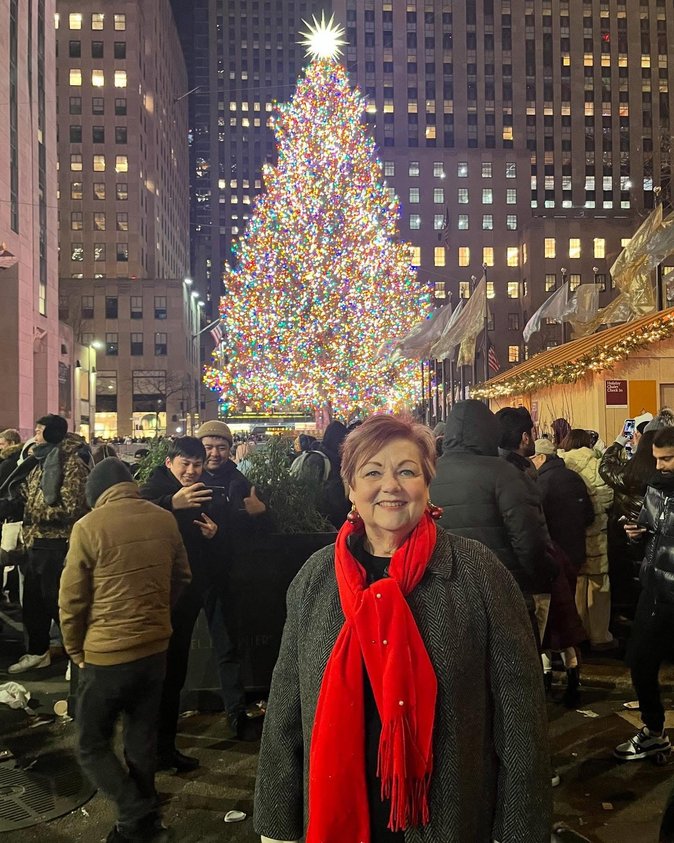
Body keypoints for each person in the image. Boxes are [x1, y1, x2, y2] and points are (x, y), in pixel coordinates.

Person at [254, 414, 551, 843]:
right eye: (372, 471)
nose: (390, 485)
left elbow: (521, 721)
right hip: (339, 813)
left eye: (407, 471)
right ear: (350, 489)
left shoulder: (477, 573)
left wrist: (521, 831)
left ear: (427, 485)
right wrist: (277, 824)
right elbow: (286, 708)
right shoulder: (316, 579)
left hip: (449, 819)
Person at [59, 458, 191, 843]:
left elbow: (72, 600)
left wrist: (74, 648)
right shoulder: (163, 518)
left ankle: (136, 809)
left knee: (90, 743)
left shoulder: (88, 527)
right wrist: (159, 615)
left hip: (106, 655)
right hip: (154, 650)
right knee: (141, 737)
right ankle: (139, 828)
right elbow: (182, 575)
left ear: (95, 493)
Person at [140, 436, 250, 770]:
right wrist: (172, 502)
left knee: (176, 673)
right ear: (169, 463)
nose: (191, 471)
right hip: (162, 595)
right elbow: (138, 515)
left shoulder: (209, 489)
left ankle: (164, 749)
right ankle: (152, 752)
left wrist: (216, 534)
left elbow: (225, 543)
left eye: (196, 464)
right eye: (184, 464)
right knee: (160, 674)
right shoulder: (154, 489)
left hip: (193, 591)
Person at [1, 414, 89, 674]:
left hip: (57, 543)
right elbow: (30, 494)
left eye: (40, 432)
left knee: (57, 602)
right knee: (33, 603)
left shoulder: (72, 462)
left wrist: (35, 512)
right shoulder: (40, 461)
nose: (35, 436)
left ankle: (77, 656)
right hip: (34, 542)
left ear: (52, 434)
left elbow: (74, 505)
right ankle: (38, 652)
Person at [614, 422, 674, 765]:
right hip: (654, 591)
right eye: (657, 459)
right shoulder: (656, 489)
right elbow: (649, 538)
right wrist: (635, 535)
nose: (661, 466)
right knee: (639, 662)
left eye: (667, 459)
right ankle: (654, 732)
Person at [532, 438, 594, 706]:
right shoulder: (573, 477)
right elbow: (589, 515)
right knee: (567, 616)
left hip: (550, 559)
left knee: (550, 623)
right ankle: (572, 678)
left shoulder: (537, 485)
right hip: (574, 554)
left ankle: (548, 680)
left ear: (542, 458)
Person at [559, 429, 615, 650]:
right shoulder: (596, 465)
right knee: (599, 583)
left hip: (571, 534)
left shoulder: (562, 462)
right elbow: (608, 497)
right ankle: (600, 635)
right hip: (596, 534)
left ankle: (579, 630)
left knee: (577, 583)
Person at [600, 419, 661, 618]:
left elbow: (605, 467)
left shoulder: (628, 473)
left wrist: (619, 442)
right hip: (657, 539)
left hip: (627, 535)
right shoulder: (663, 475)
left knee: (632, 579)